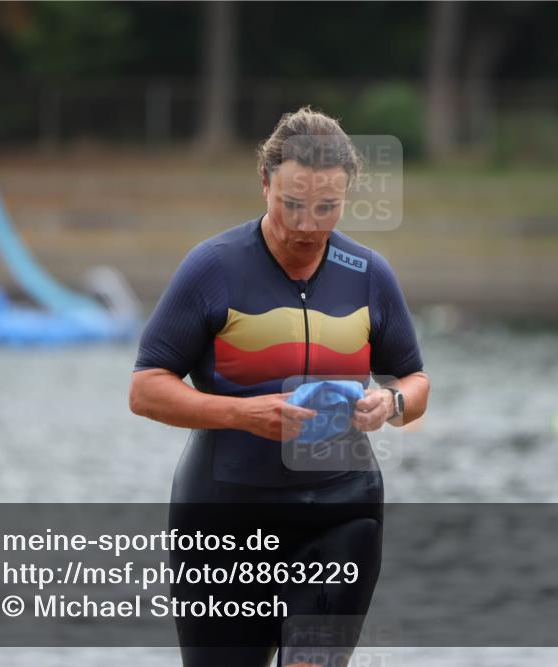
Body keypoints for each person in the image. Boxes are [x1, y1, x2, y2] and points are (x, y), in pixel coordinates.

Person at [129, 106, 430, 667]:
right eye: (292, 203)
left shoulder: (368, 274)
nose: (308, 225)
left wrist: (390, 403)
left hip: (340, 514)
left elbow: (415, 383)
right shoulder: (213, 268)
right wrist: (242, 415)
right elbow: (146, 388)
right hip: (225, 519)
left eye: (327, 207)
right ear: (264, 183)